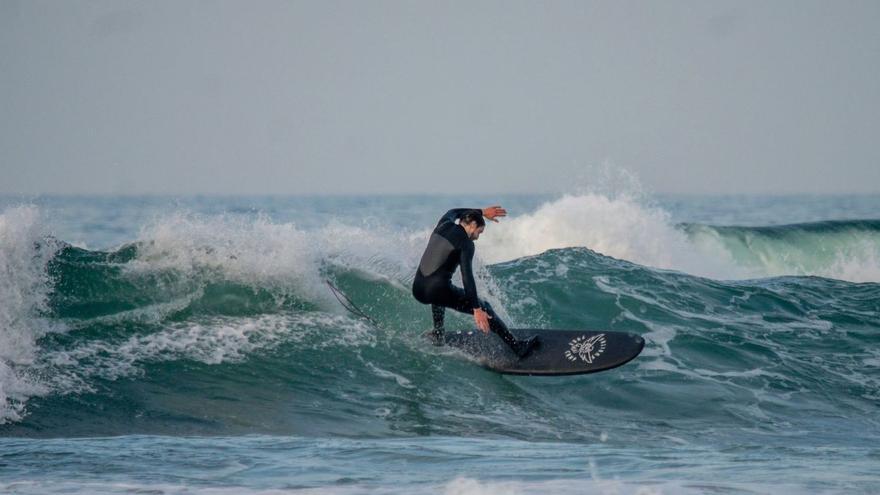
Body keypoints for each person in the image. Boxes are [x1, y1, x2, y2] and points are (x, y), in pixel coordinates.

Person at [412, 206, 539, 358]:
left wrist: (482, 212)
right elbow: (467, 277)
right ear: (472, 225)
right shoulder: (466, 244)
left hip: (418, 289)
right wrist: (477, 309)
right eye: (479, 232)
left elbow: (453, 211)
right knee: (486, 307)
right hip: (437, 289)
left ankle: (438, 333)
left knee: (439, 296)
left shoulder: (444, 224)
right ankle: (517, 347)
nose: (477, 237)